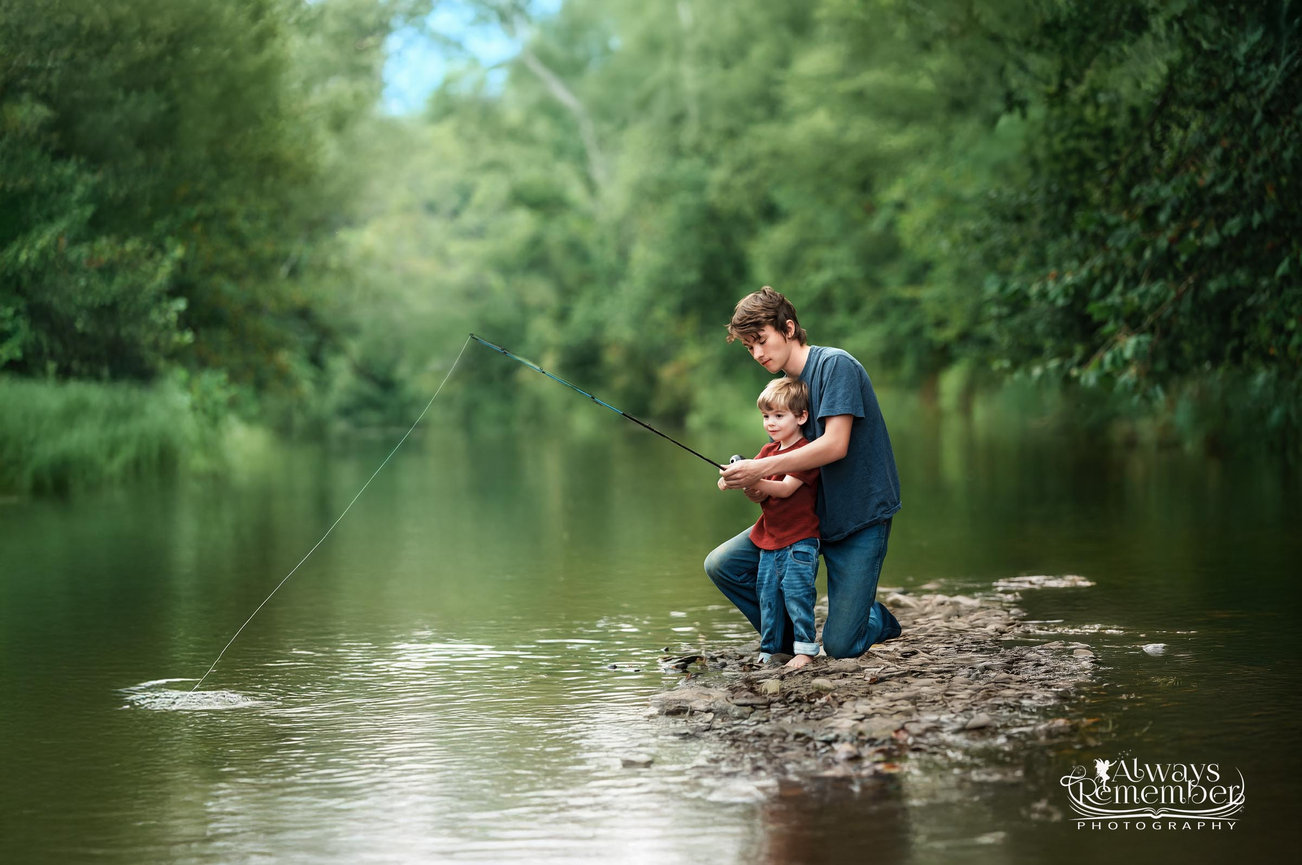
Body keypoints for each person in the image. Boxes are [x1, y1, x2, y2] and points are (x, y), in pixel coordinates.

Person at [706, 286, 902, 659]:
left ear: (789, 328)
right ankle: (783, 639)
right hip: (800, 521)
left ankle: (874, 619)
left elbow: (834, 445)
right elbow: (784, 467)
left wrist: (760, 466)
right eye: (749, 347)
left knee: (842, 647)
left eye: (761, 341)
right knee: (723, 564)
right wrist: (752, 482)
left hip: (857, 518)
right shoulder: (784, 390)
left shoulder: (835, 366)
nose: (758, 354)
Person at [720, 377, 822, 669]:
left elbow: (786, 489)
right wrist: (740, 483)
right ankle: (771, 650)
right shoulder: (767, 453)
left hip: (799, 540)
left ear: (801, 417)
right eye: (766, 416)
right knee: (768, 598)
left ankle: (804, 650)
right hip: (769, 540)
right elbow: (759, 495)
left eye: (779, 416)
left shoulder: (805, 452)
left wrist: (755, 479)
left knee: (797, 595)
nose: (771, 423)